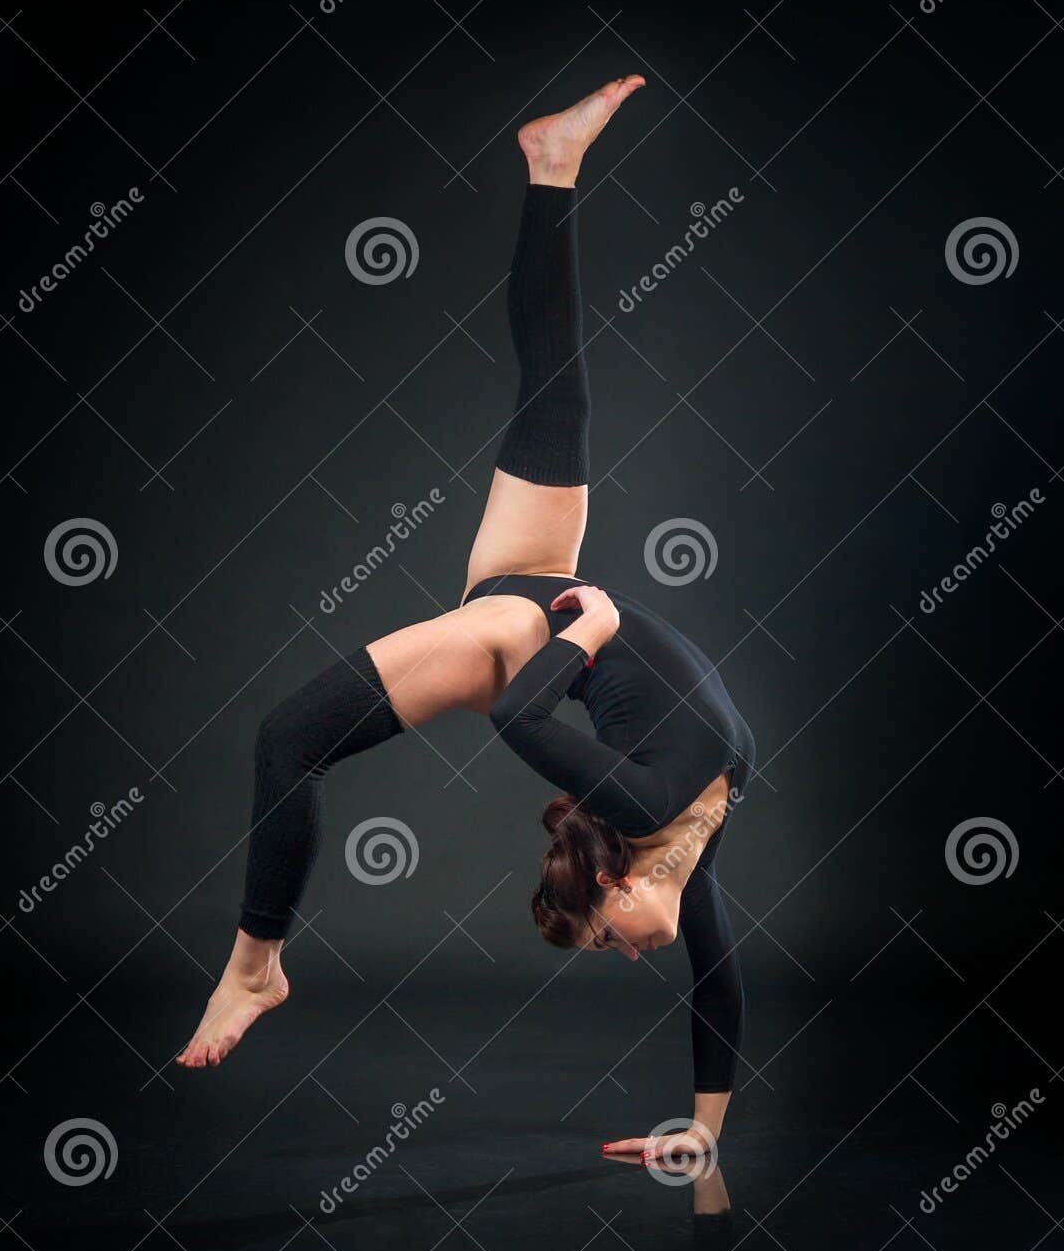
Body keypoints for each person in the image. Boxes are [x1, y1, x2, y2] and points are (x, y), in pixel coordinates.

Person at [177, 75, 755, 1169]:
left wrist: (581, 639)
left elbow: (522, 719)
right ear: (622, 884)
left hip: (526, 620)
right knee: (557, 392)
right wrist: (581, 639)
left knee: (288, 741)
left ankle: (257, 960)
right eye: (611, 943)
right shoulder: (666, 822)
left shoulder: (662, 830)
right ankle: (551, 162)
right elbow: (526, 715)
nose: (632, 955)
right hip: (527, 615)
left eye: (607, 942)